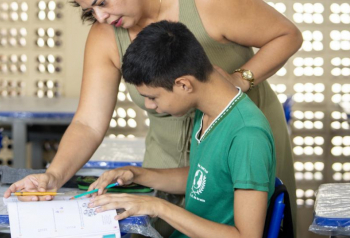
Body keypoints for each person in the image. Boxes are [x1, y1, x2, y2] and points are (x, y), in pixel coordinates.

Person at [4, 0, 300, 233]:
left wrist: (238, 82)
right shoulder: (105, 34)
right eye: (90, 11)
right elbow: (88, 123)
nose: (100, 17)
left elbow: (287, 35)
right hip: (175, 167)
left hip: (239, 153)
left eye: (102, 2)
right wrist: (53, 176)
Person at [87, 21, 276, 238]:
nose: (149, 105)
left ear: (184, 85)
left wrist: (158, 206)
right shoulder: (208, 110)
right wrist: (136, 174)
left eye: (152, 97)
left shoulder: (247, 136)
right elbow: (204, 178)